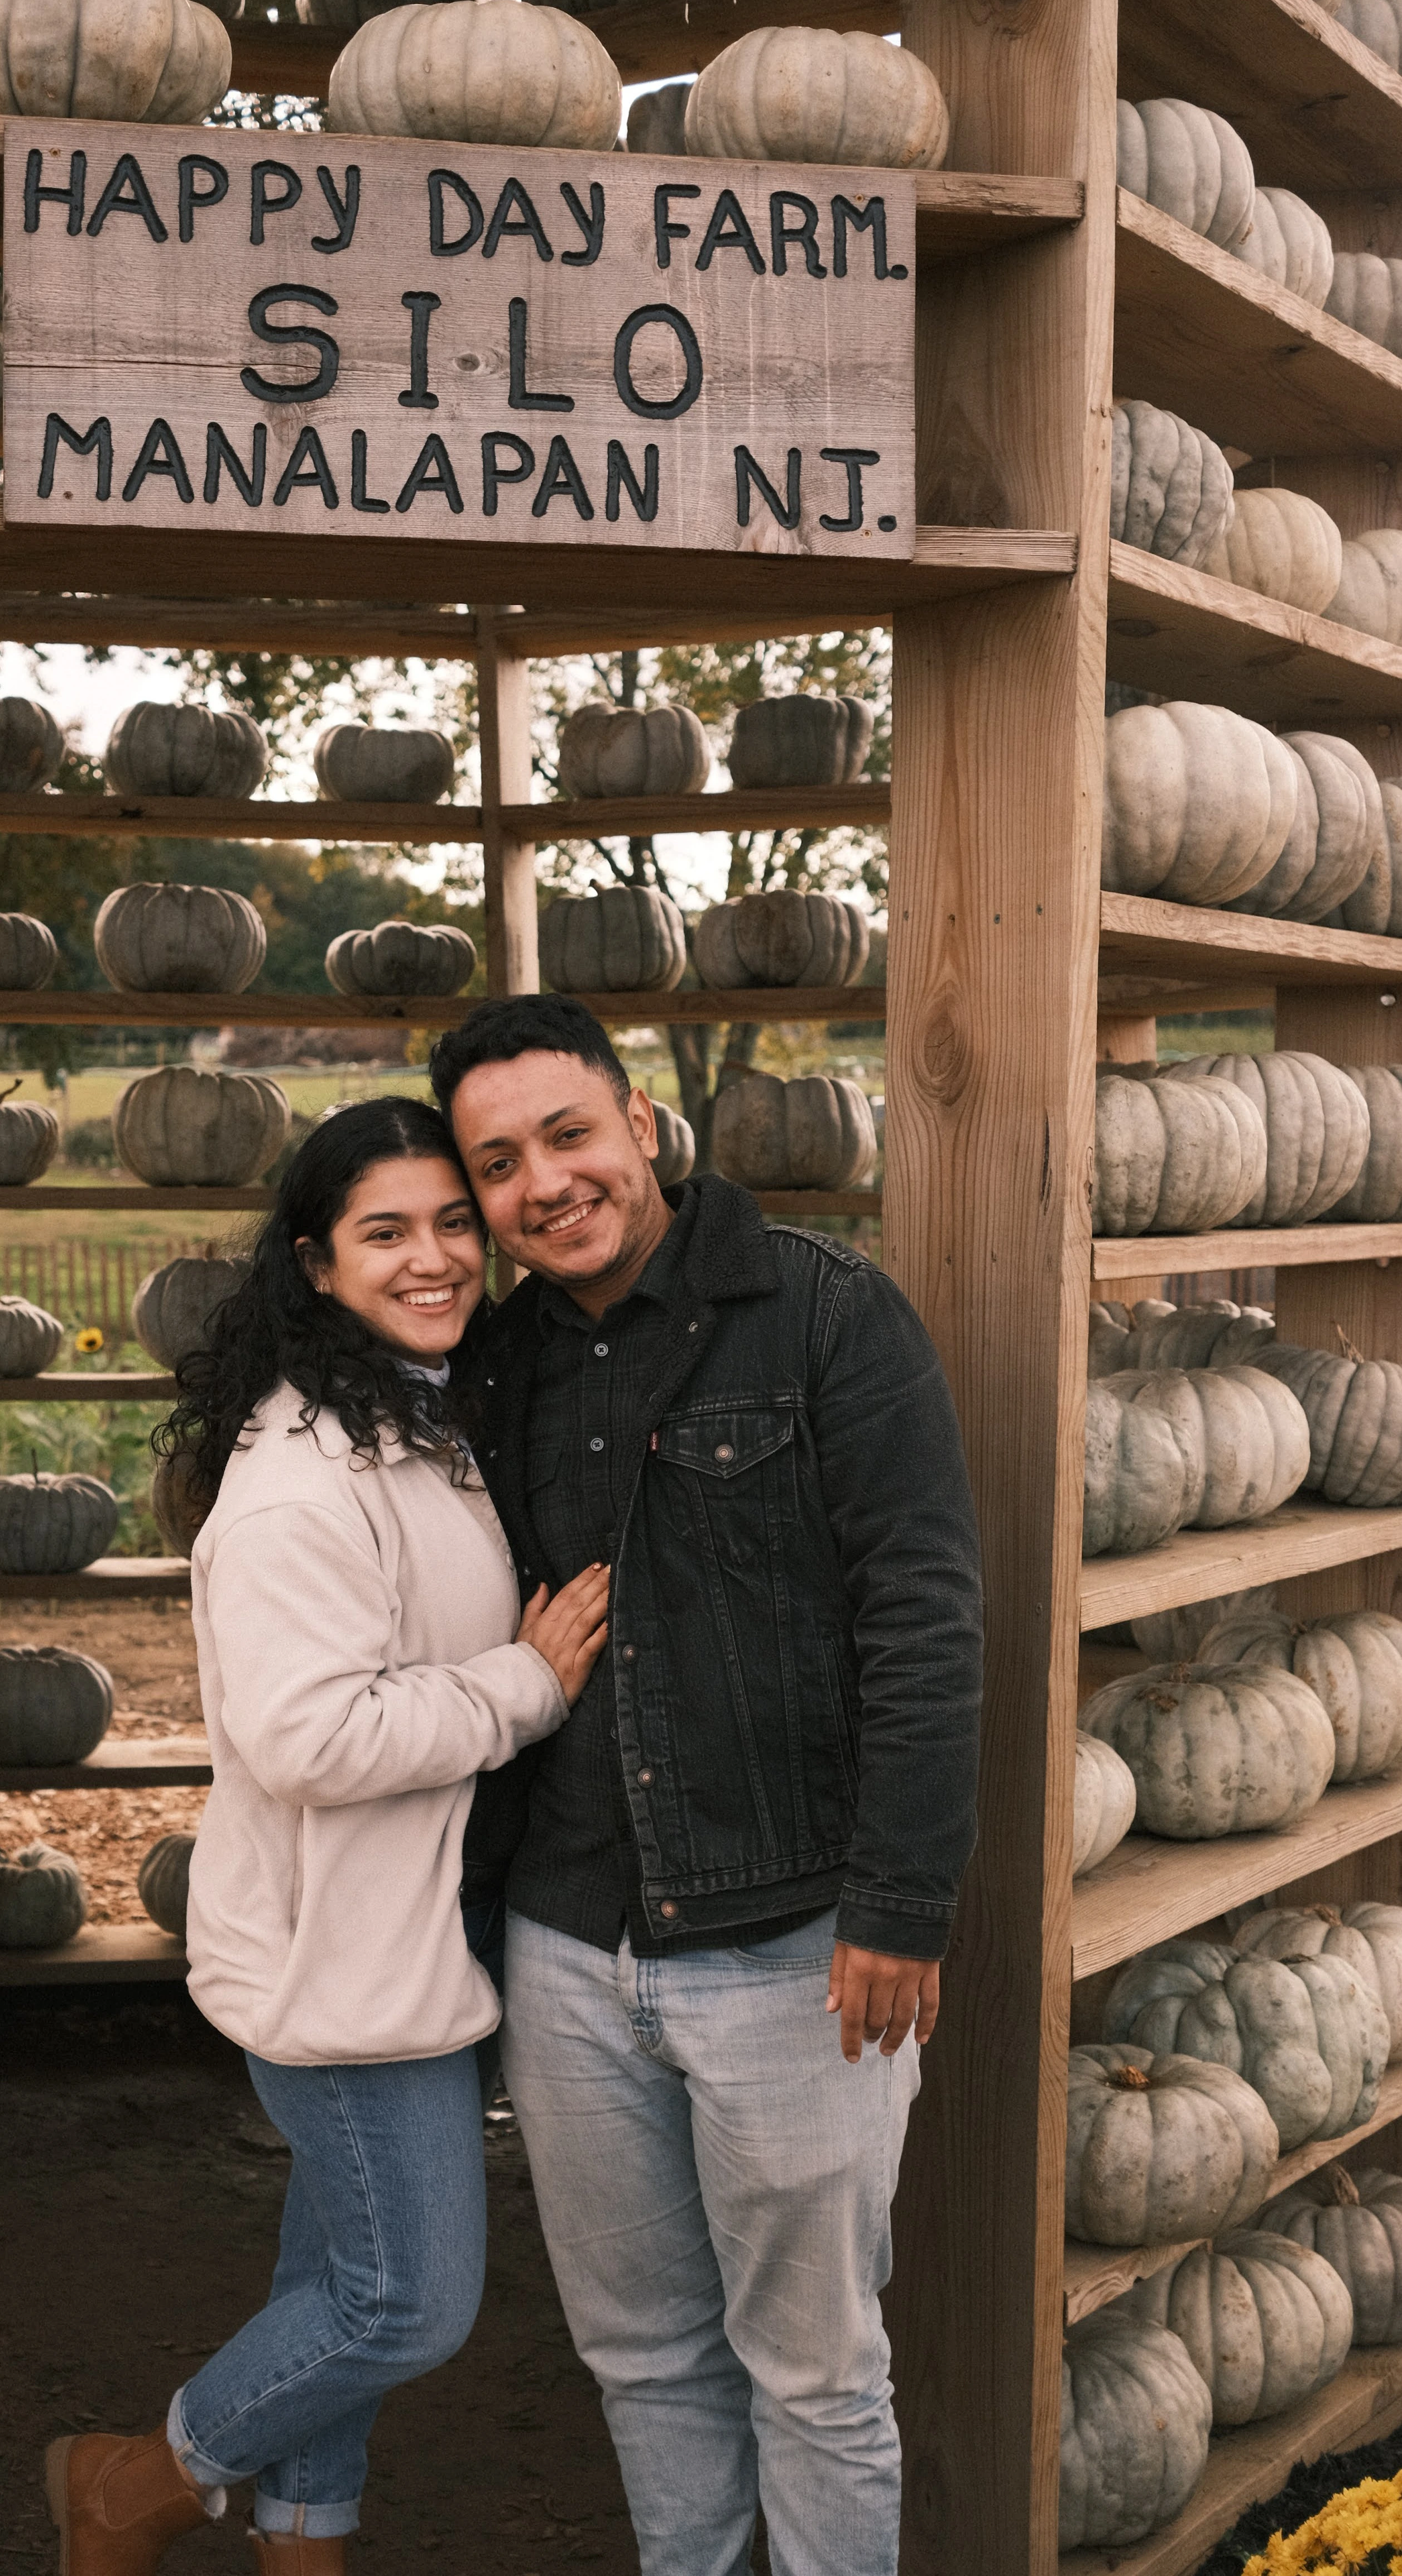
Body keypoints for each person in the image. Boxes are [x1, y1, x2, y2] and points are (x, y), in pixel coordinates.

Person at [429, 995, 985, 2576]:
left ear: (640, 1125)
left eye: (566, 1134)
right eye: (499, 1164)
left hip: (799, 1949)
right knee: (645, 2359)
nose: (544, 1183)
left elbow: (926, 1618)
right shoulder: (498, 1362)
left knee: (815, 2373)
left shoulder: (822, 1317)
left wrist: (899, 1905)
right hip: (566, 1950)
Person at [44, 1096, 610, 2576]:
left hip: (405, 1927)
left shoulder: (411, 1417)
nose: (432, 1259)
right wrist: (524, 1689)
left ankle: (306, 2544)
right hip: (342, 1960)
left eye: (447, 1225)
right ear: (312, 1262)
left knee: (334, 2270)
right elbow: (309, 1740)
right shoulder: (299, 1485)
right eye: (384, 1234)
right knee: (405, 2303)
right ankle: (134, 2481)